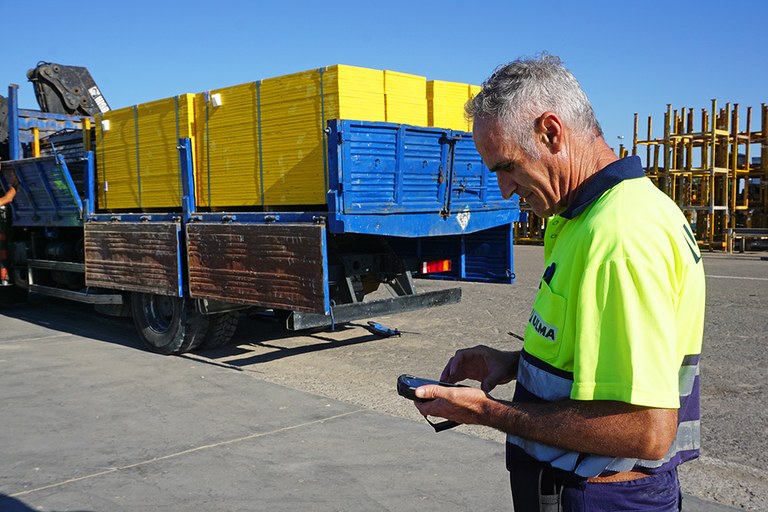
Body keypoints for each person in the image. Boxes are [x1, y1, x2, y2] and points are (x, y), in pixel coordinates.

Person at [413, 54, 705, 512]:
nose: (506, 189)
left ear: (551, 132)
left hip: (603, 497)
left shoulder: (618, 236)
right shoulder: (583, 218)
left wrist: (487, 411)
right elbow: (596, 356)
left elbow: (646, 429)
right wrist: (514, 364)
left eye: (506, 167)